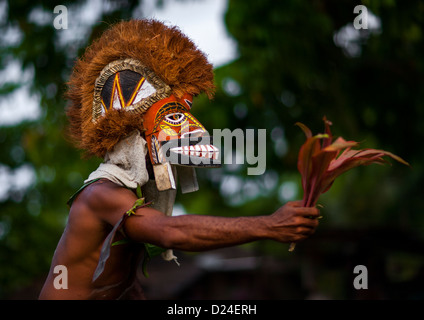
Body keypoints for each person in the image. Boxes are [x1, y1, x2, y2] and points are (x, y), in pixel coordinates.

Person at [39, 19, 319, 300]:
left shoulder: (129, 194)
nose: (170, 157)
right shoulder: (100, 194)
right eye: (164, 142)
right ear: (132, 139)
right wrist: (269, 225)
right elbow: (170, 233)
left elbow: (114, 280)